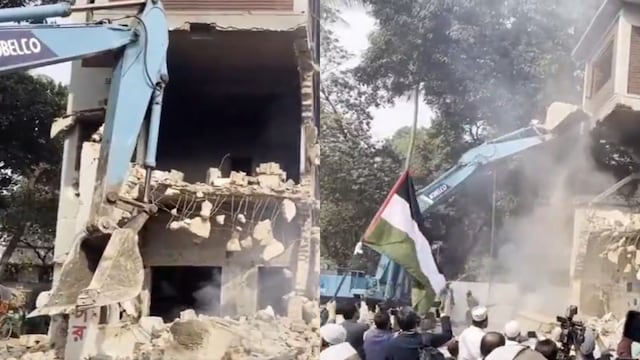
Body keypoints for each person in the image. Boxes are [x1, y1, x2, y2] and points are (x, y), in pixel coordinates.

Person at [382, 306, 453, 360]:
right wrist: (444, 317)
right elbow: (447, 335)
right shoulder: (426, 339)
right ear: (416, 323)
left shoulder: (391, 344)